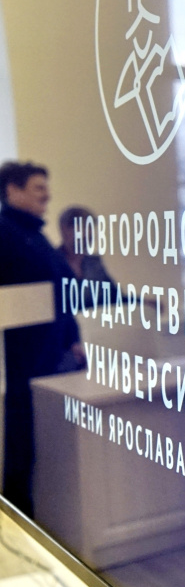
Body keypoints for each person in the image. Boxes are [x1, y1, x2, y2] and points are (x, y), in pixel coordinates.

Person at [0, 161, 82, 517]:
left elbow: (61, 292)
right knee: (22, 441)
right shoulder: (5, 233)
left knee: (49, 442)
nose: (47, 195)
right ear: (12, 191)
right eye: (38, 188)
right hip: (21, 360)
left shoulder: (37, 235)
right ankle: (21, 518)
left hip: (53, 353)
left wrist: (73, 338)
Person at [56, 206, 115, 295]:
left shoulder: (94, 263)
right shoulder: (51, 262)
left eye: (91, 227)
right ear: (64, 229)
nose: (88, 233)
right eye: (83, 227)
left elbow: (114, 295)